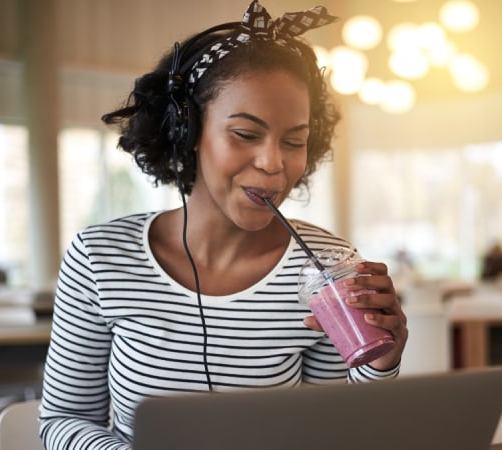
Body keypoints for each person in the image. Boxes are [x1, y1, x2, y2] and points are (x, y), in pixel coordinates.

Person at [39, 2, 408, 448]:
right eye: (245, 134)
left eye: (294, 141)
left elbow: (337, 429)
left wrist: (380, 363)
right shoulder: (100, 256)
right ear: (187, 132)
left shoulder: (328, 267)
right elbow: (63, 419)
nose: (274, 163)